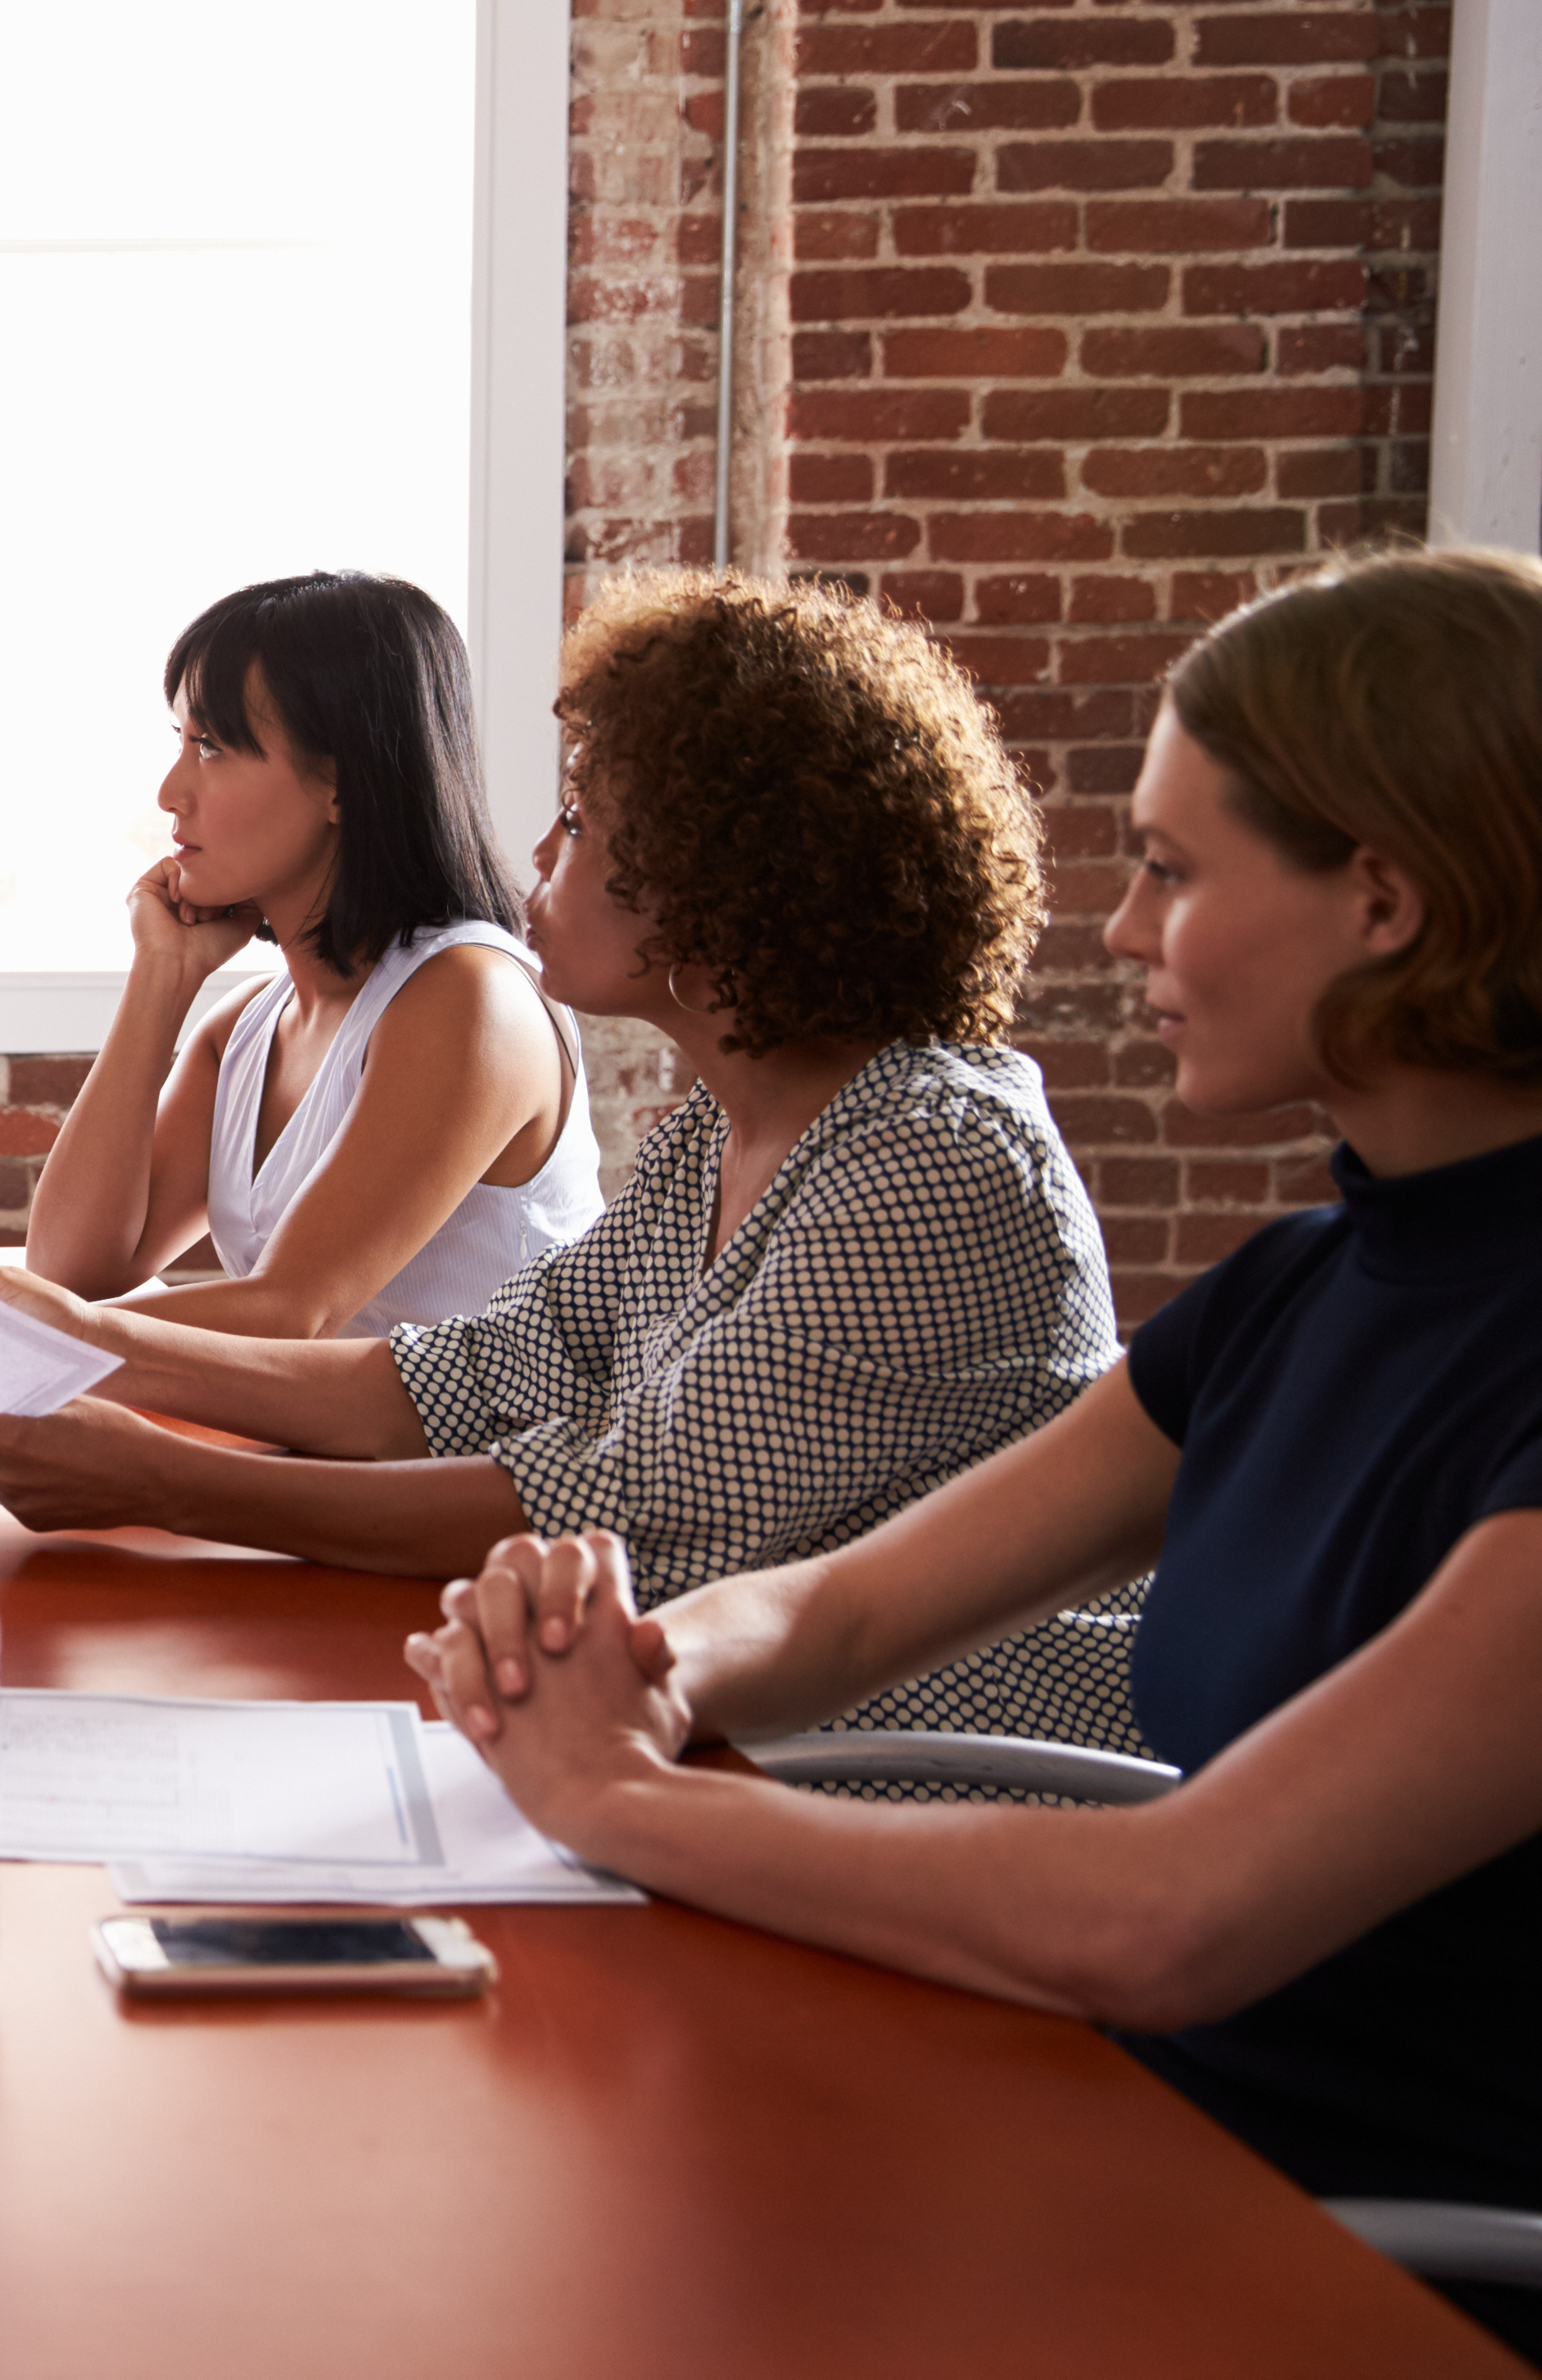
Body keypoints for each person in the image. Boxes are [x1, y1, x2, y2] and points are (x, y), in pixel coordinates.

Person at [408, 549, 1542, 2360]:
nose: (1115, 930)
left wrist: (630, 1798)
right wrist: (634, 1655)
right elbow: (849, 1618)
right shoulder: (1299, 1285)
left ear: (1384, 900)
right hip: (1126, 2132)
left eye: (1173, 871)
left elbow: (1174, 1920)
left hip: (1344, 2268)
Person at [0, 569, 1141, 1746]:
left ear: (717, 879)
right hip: (718, 1737)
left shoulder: (931, 1164)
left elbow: (613, 1511)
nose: (543, 853)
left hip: (930, 1781)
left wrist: (157, 1476)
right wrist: (78, 1340)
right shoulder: (719, 1135)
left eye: (585, 819)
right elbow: (475, 1377)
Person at [0, 572, 597, 1411]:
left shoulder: (470, 1000)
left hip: (485, 1504)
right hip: (314, 1475)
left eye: (214, 747)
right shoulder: (250, 1027)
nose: (170, 793)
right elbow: (77, 1266)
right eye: (182, 741)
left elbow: (292, 1313)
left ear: (342, 780)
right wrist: (163, 978)